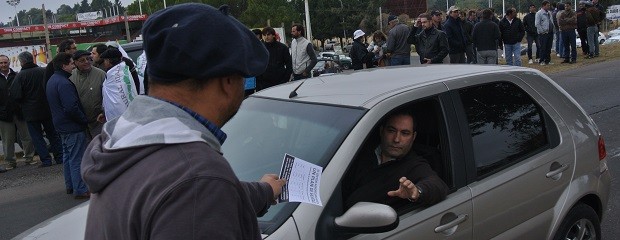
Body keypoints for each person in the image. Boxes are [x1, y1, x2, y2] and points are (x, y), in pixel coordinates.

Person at [81, 4, 286, 239]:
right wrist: (213, 183)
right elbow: (198, 187)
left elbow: (186, 192)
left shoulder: (127, 140)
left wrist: (264, 191)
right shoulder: (198, 177)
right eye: (242, 77)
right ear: (227, 81)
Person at [342, 110, 449, 210]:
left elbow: (438, 186)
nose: (396, 139)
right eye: (391, 131)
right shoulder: (358, 151)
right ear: (381, 131)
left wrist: (416, 192)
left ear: (413, 137)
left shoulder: (414, 165)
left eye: (405, 133)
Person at [46, 52, 90, 199]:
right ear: (64, 65)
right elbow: (71, 107)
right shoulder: (64, 83)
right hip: (72, 126)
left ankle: (71, 185)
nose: (73, 66)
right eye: (71, 63)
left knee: (68, 157)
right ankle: (81, 189)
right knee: (77, 157)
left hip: (61, 125)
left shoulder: (53, 80)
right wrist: (83, 119)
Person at [10, 52, 63, 167]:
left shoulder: (20, 76)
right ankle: (59, 157)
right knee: (53, 134)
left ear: (22, 61)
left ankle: (46, 160)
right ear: (32, 59)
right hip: (47, 108)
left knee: (37, 137)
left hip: (30, 112)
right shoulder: (43, 71)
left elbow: (15, 95)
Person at [0, 55, 35, 170]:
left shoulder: (17, 75)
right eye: (1, 63)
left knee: (26, 137)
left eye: (5, 62)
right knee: (7, 140)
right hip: (3, 114)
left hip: (19, 112)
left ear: (9, 63)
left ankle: (29, 158)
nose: (3, 65)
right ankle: (10, 162)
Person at [69, 50, 106, 138]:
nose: (87, 62)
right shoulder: (71, 76)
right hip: (80, 123)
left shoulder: (101, 74)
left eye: (89, 59)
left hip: (99, 120)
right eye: (82, 60)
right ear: (75, 62)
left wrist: (104, 112)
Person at [99, 48, 139, 121]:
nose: (104, 63)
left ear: (109, 61)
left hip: (121, 117)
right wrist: (105, 113)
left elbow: (119, 100)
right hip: (121, 115)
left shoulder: (116, 75)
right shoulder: (120, 72)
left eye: (105, 60)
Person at [256, 27, 292, 91]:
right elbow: (258, 65)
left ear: (273, 35)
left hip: (280, 82)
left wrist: (285, 79)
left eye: (268, 35)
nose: (266, 37)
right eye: (264, 35)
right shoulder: (260, 48)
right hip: (264, 83)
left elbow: (289, 64)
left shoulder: (282, 48)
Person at [536, 1, 554, 65]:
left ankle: (548, 60)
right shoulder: (539, 13)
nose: (549, 7)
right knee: (543, 47)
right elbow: (537, 24)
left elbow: (551, 21)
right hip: (543, 33)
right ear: (543, 6)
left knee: (549, 47)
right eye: (547, 5)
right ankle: (542, 60)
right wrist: (542, 31)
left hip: (550, 32)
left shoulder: (549, 13)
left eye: (549, 5)